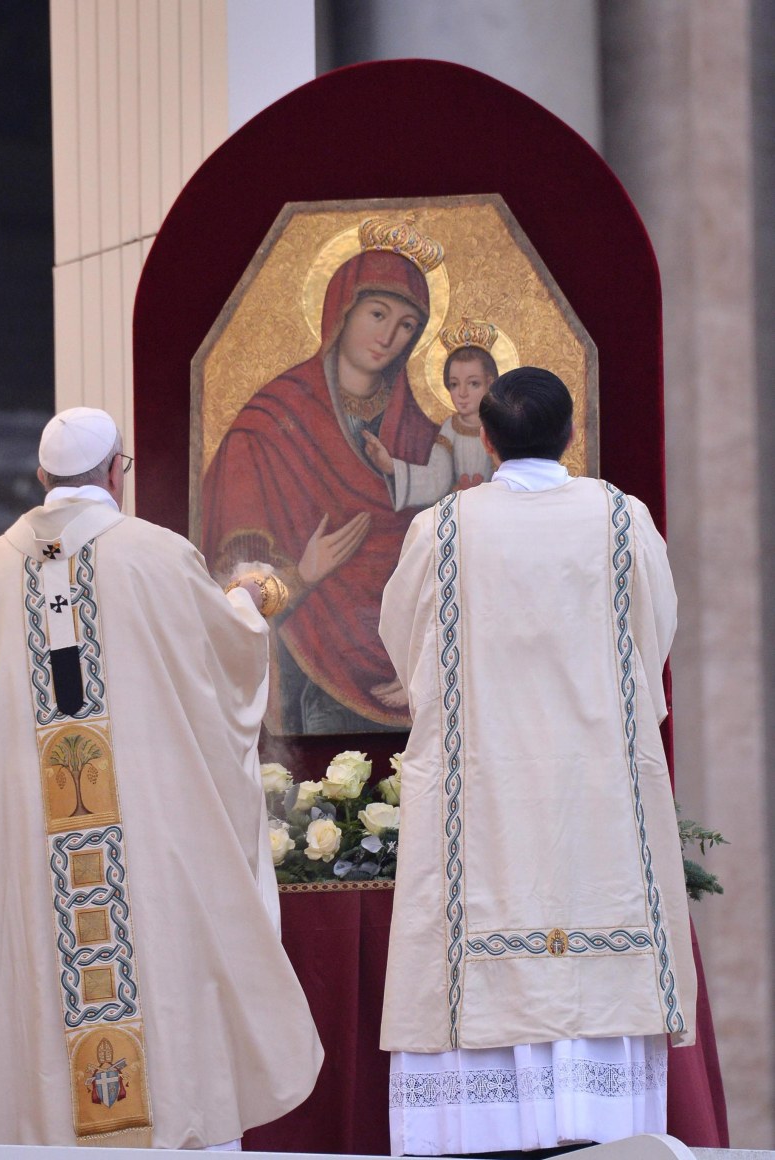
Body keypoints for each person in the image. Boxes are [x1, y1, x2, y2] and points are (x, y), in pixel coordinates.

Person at [0, 407, 323, 1149]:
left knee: (29, 975)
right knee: (155, 966)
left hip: (21, 849)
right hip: (140, 849)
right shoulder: (155, 555)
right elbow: (221, 663)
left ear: (39, 479)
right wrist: (250, 597)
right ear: (118, 470)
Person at [379, 368, 697, 1156]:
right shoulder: (621, 520)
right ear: (568, 433)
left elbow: (401, 639)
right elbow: (654, 636)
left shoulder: (442, 529)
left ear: (483, 437)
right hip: (593, 795)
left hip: (482, 792)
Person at [202, 218, 442, 734]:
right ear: (340, 311)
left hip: (410, 667)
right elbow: (228, 583)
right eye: (377, 313)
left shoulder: (424, 439)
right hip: (308, 662)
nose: (388, 336)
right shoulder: (267, 425)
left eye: (405, 325)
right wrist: (303, 574)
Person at [364, 337, 496, 509]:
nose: (462, 393)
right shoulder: (451, 428)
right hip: (456, 514)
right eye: (454, 384)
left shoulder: (500, 426)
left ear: (490, 383)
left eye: (473, 383)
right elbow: (437, 479)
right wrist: (392, 467)